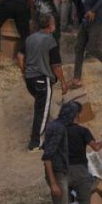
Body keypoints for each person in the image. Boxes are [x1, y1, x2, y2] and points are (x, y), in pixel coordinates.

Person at [19, 13, 68, 151]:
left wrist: (24, 71)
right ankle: (36, 143)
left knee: (40, 108)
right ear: (50, 26)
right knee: (42, 111)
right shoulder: (50, 41)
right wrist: (63, 82)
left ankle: (40, 138)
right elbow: (56, 65)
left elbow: (20, 56)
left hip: (29, 79)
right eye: (53, 23)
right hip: (42, 79)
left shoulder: (30, 38)